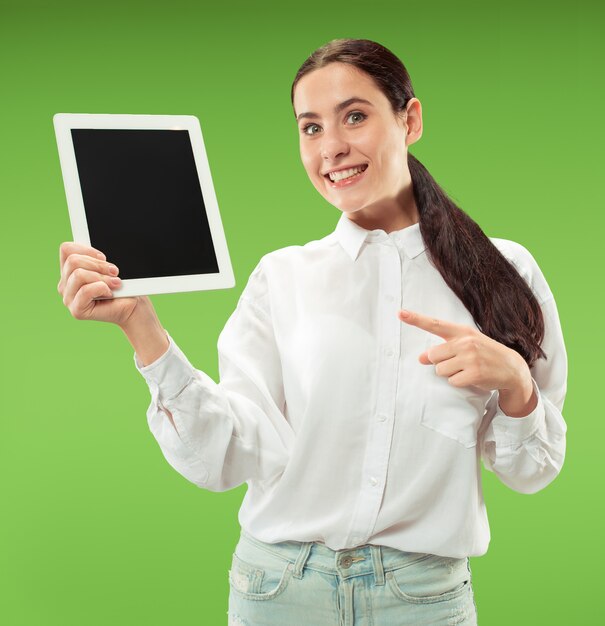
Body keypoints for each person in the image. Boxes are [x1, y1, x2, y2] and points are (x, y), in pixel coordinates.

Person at [57, 38, 568, 626]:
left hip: (423, 599)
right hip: (278, 591)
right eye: (310, 127)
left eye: (354, 116)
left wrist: (515, 385)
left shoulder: (502, 272)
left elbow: (533, 470)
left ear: (410, 119)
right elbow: (228, 456)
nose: (332, 148)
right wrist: (140, 328)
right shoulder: (284, 277)